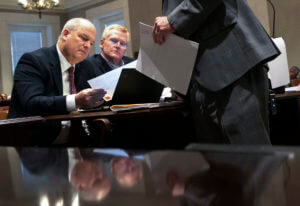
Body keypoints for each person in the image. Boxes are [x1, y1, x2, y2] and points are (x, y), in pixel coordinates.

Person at [152, 0, 280, 144]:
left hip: (232, 65)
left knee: (252, 160)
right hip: (200, 82)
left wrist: (174, 21)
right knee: (218, 162)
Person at [8, 18, 106, 146]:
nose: (87, 45)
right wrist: (75, 101)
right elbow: (32, 103)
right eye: (83, 38)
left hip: (79, 139)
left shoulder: (86, 66)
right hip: (36, 141)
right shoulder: (33, 61)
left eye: (91, 43)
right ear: (65, 34)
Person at [76, 24, 135, 91]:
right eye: (113, 41)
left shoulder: (134, 64)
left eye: (122, 43)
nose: (118, 46)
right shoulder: (88, 65)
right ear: (102, 43)